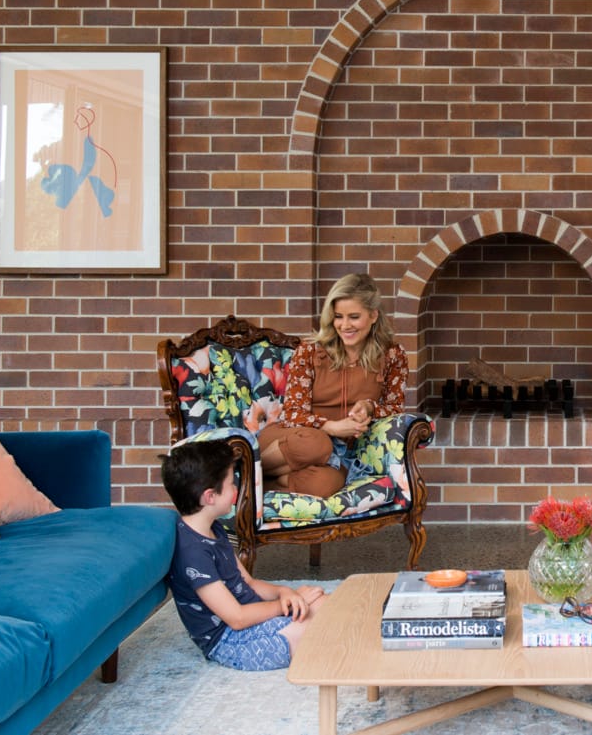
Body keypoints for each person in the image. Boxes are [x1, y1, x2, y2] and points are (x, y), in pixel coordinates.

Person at [160, 438, 327, 671]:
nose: (236, 489)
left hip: (253, 618)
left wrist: (285, 592)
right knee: (319, 630)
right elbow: (236, 618)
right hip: (232, 641)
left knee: (322, 604)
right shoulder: (192, 554)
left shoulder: (213, 527)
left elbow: (247, 581)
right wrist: (283, 606)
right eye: (230, 483)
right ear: (210, 497)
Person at [256, 272, 408, 497]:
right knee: (317, 443)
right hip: (293, 438)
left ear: (373, 315)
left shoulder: (392, 355)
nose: (344, 325)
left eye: (354, 317)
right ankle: (245, 468)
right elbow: (293, 414)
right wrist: (330, 427)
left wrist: (369, 407)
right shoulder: (309, 352)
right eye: (338, 316)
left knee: (324, 485)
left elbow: (395, 408)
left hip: (339, 455)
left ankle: (260, 481)